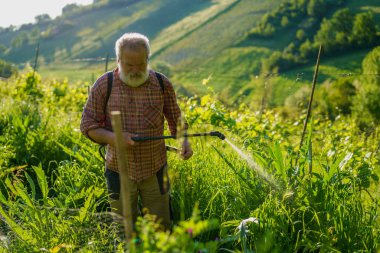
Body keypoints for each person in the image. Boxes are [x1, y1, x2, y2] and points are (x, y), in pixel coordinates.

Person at [80, 32, 193, 230]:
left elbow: (177, 120)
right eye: (128, 65)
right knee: (124, 230)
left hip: (155, 170)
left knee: (161, 229)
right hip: (118, 171)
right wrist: (114, 138)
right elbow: (88, 126)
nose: (135, 70)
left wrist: (184, 142)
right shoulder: (104, 85)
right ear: (118, 60)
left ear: (147, 59)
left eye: (140, 64)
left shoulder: (161, 83)